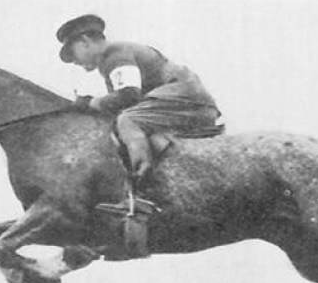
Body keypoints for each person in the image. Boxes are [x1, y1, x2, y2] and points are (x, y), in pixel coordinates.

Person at [56, 14, 223, 185]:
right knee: (127, 125)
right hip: (188, 103)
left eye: (72, 53)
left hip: (186, 100)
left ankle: (142, 177)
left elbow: (128, 96)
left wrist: (90, 103)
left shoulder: (114, 54)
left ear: (85, 41)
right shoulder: (114, 56)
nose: (74, 61)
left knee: (128, 121)